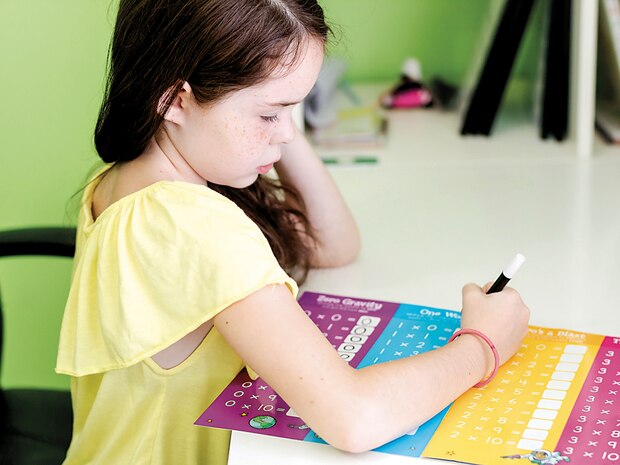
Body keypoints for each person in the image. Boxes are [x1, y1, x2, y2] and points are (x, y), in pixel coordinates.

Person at [56, 0, 530, 463]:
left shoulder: (128, 179)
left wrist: (273, 110)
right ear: (175, 100)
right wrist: (482, 345)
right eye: (269, 114)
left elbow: (334, 246)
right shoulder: (193, 225)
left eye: (295, 109)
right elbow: (355, 418)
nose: (286, 133)